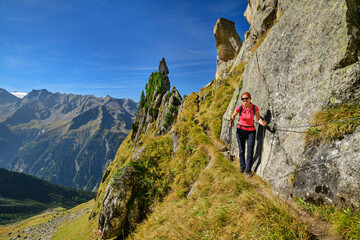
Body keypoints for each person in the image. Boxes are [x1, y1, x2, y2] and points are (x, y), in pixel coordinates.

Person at [229, 92, 267, 178]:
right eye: (243, 99)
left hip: (251, 132)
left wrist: (262, 123)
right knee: (241, 150)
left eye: (246, 98)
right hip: (240, 131)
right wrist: (231, 122)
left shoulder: (254, 108)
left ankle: (248, 170)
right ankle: (242, 167)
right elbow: (233, 115)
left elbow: (258, 118)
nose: (244, 100)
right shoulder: (240, 108)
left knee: (250, 151)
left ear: (250, 99)